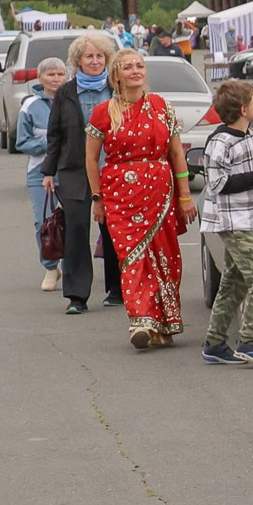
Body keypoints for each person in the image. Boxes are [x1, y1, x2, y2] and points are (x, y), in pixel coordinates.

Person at [88, 46, 192, 349]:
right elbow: (91, 160)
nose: (135, 71)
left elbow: (176, 154)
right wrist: (98, 199)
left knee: (165, 255)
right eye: (128, 67)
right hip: (119, 196)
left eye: (139, 66)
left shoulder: (162, 107)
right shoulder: (103, 112)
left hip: (159, 193)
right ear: (116, 75)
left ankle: (165, 321)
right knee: (131, 257)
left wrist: (185, 196)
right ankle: (141, 319)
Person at [198, 79, 253, 367]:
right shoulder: (220, 142)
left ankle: (215, 343)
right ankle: (249, 340)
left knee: (234, 282)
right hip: (231, 222)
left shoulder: (248, 135)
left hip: (246, 219)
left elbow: (252, 169)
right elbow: (217, 183)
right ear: (244, 109)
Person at [42, 34, 120, 314]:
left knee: (111, 229)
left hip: (111, 169)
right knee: (75, 227)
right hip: (74, 170)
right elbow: (55, 134)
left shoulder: (116, 90)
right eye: (89, 56)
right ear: (78, 61)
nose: (95, 61)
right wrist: (49, 171)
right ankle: (77, 296)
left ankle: (116, 288)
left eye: (100, 56)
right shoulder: (66, 92)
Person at [18, 57, 67, 290]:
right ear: (41, 78)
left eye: (60, 74)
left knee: (72, 222)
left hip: (70, 171)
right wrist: (50, 142)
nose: (55, 79)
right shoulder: (30, 105)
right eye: (50, 74)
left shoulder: (72, 100)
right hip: (39, 171)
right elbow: (22, 141)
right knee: (44, 221)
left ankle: (71, 269)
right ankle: (50, 268)